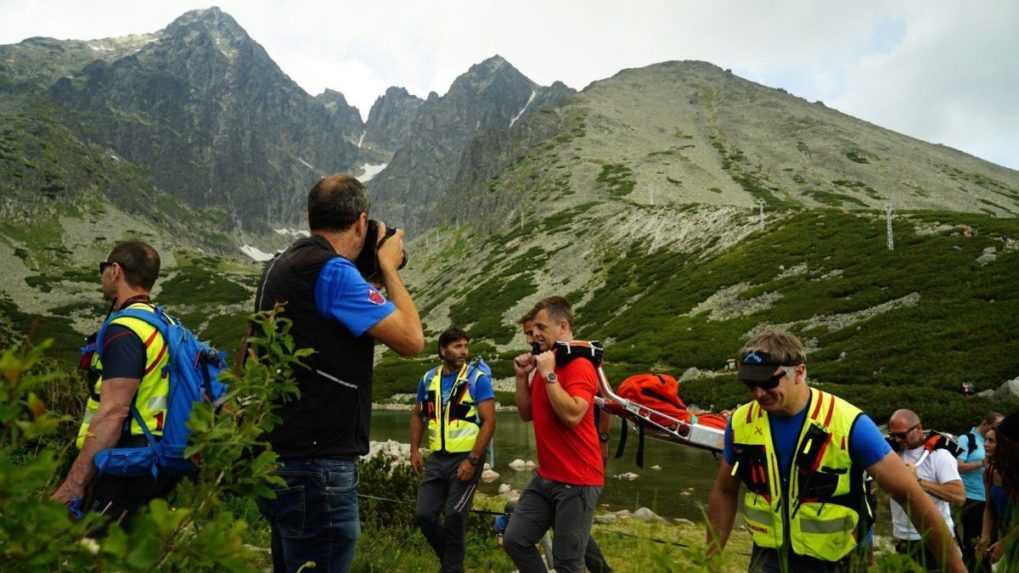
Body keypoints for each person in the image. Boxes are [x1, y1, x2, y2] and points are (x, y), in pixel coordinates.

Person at [254, 174, 424, 573]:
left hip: (281, 454)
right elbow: (412, 340)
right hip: (320, 465)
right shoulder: (332, 272)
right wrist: (387, 266)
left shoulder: (282, 265)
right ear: (361, 222)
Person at [706, 330, 965, 573]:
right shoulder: (741, 423)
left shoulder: (850, 425)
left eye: (769, 382)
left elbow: (909, 495)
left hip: (840, 561)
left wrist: (956, 568)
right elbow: (725, 490)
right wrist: (710, 560)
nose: (759, 393)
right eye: (750, 384)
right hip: (768, 558)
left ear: (799, 372)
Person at [51, 241, 180, 525]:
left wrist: (75, 482)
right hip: (155, 457)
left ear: (116, 271)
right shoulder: (163, 323)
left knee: (92, 550)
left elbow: (113, 412)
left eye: (103, 268)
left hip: (122, 458)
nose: (102, 275)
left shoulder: (125, 330)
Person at [503, 296, 604, 573]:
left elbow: (573, 415)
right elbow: (526, 414)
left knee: (568, 563)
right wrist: (523, 377)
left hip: (577, 480)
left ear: (562, 326)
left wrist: (548, 375)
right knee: (515, 540)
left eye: (540, 327)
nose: (534, 334)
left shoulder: (579, 365)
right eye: (532, 329)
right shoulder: (547, 362)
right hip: (546, 477)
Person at [410, 327, 496, 573]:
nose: (464, 352)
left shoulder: (477, 378)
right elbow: (417, 415)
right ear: (442, 350)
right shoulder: (428, 379)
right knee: (425, 515)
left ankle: (450, 568)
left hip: (467, 458)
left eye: (466, 347)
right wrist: (414, 450)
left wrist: (473, 459)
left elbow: (489, 422)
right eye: (458, 347)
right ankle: (451, 564)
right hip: (437, 459)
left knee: (455, 516)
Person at [887, 409, 967, 571]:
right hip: (902, 537)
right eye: (893, 435)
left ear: (918, 428)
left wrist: (918, 481)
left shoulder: (939, 455)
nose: (897, 440)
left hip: (934, 537)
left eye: (902, 435)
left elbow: (959, 496)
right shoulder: (893, 454)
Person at [957, 412, 1004, 569]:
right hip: (973, 499)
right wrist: (981, 463)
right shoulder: (967, 439)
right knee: (973, 547)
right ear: (985, 424)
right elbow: (958, 466)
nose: (987, 444)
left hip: (994, 502)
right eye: (996, 427)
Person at [978, 414, 1019, 569]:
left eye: (993, 441)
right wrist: (985, 537)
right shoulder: (990, 472)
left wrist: (1006, 543)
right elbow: (989, 506)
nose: (986, 444)